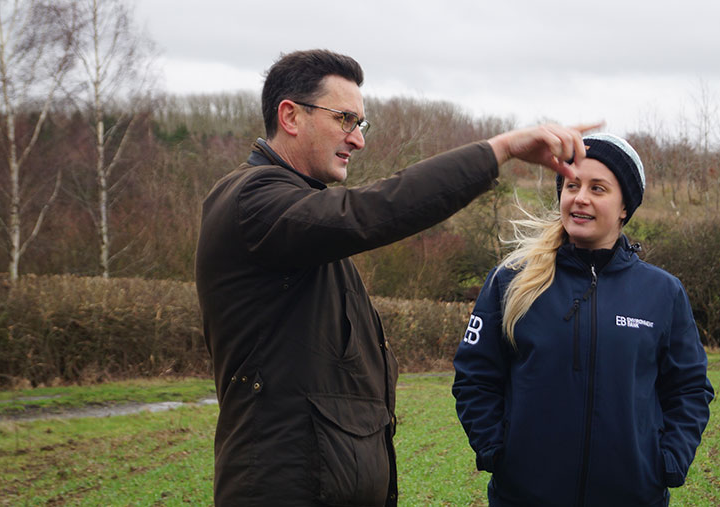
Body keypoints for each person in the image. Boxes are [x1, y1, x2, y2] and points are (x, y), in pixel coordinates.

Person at [195, 48, 598, 506]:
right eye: (345, 119)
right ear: (290, 115)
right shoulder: (254, 201)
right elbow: (373, 211)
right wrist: (498, 151)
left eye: (360, 124)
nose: (358, 140)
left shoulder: (296, 222)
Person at [452, 133, 715, 506]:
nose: (580, 198)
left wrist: (668, 461)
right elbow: (474, 377)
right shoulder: (510, 280)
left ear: (625, 206)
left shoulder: (663, 293)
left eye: (598, 188)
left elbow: (689, 388)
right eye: (572, 185)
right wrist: (497, 450)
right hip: (524, 497)